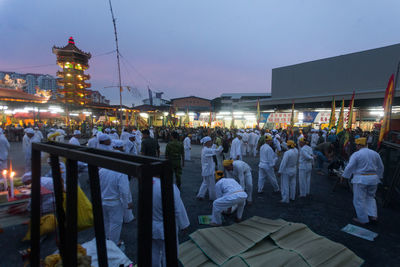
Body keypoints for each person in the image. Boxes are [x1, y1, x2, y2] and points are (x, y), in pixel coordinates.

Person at [342, 137, 384, 225]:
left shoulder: (356, 154)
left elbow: (350, 167)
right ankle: (373, 216)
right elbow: (381, 167)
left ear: (359, 145)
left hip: (361, 179)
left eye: (357, 145)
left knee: (359, 199)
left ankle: (363, 219)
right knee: (370, 197)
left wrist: (344, 176)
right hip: (373, 179)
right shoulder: (375, 154)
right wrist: (379, 177)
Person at [152, 176, 189, 267]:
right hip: (166, 226)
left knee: (153, 252)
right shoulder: (169, 187)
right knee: (169, 254)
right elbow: (178, 209)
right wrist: (184, 224)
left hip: (150, 223)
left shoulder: (147, 183)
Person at [99, 167, 132, 245]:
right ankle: (113, 243)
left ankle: (107, 239)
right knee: (115, 223)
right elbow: (124, 191)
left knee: (106, 221)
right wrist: (128, 202)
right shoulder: (121, 172)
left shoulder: (101, 170)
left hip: (103, 200)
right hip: (114, 202)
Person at [197, 136, 217, 200]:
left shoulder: (205, 149)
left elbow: (213, 150)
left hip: (206, 170)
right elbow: (216, 151)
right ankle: (213, 197)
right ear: (207, 142)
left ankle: (200, 195)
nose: (211, 142)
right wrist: (221, 146)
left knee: (205, 183)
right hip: (208, 170)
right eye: (210, 141)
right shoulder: (206, 150)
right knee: (211, 184)